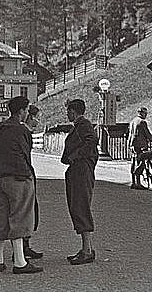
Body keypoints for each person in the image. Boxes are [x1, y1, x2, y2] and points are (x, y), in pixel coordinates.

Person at [0, 96, 43, 274]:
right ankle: (20, 262)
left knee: (2, 215)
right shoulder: (21, 130)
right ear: (21, 111)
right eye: (26, 110)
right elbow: (25, 155)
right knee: (19, 217)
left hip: (0, 178)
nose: (27, 113)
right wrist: (27, 176)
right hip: (18, 178)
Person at [62, 99, 99, 265]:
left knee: (80, 206)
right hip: (78, 170)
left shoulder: (84, 125)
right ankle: (87, 248)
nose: (67, 114)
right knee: (77, 206)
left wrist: (75, 155)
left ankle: (87, 250)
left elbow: (91, 141)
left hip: (81, 170)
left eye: (69, 111)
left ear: (74, 111)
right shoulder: (79, 125)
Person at [20, 104, 43, 260]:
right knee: (24, 210)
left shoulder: (25, 131)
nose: (36, 122)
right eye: (34, 118)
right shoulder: (22, 131)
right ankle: (20, 248)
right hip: (23, 174)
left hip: (27, 172)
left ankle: (25, 245)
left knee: (30, 210)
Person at [127, 106, 152, 189]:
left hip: (132, 145)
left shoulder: (133, 121)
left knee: (134, 162)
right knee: (142, 162)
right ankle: (138, 184)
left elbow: (130, 134)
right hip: (140, 145)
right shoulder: (142, 122)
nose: (146, 115)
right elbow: (148, 135)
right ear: (143, 113)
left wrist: (129, 145)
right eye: (146, 113)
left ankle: (134, 182)